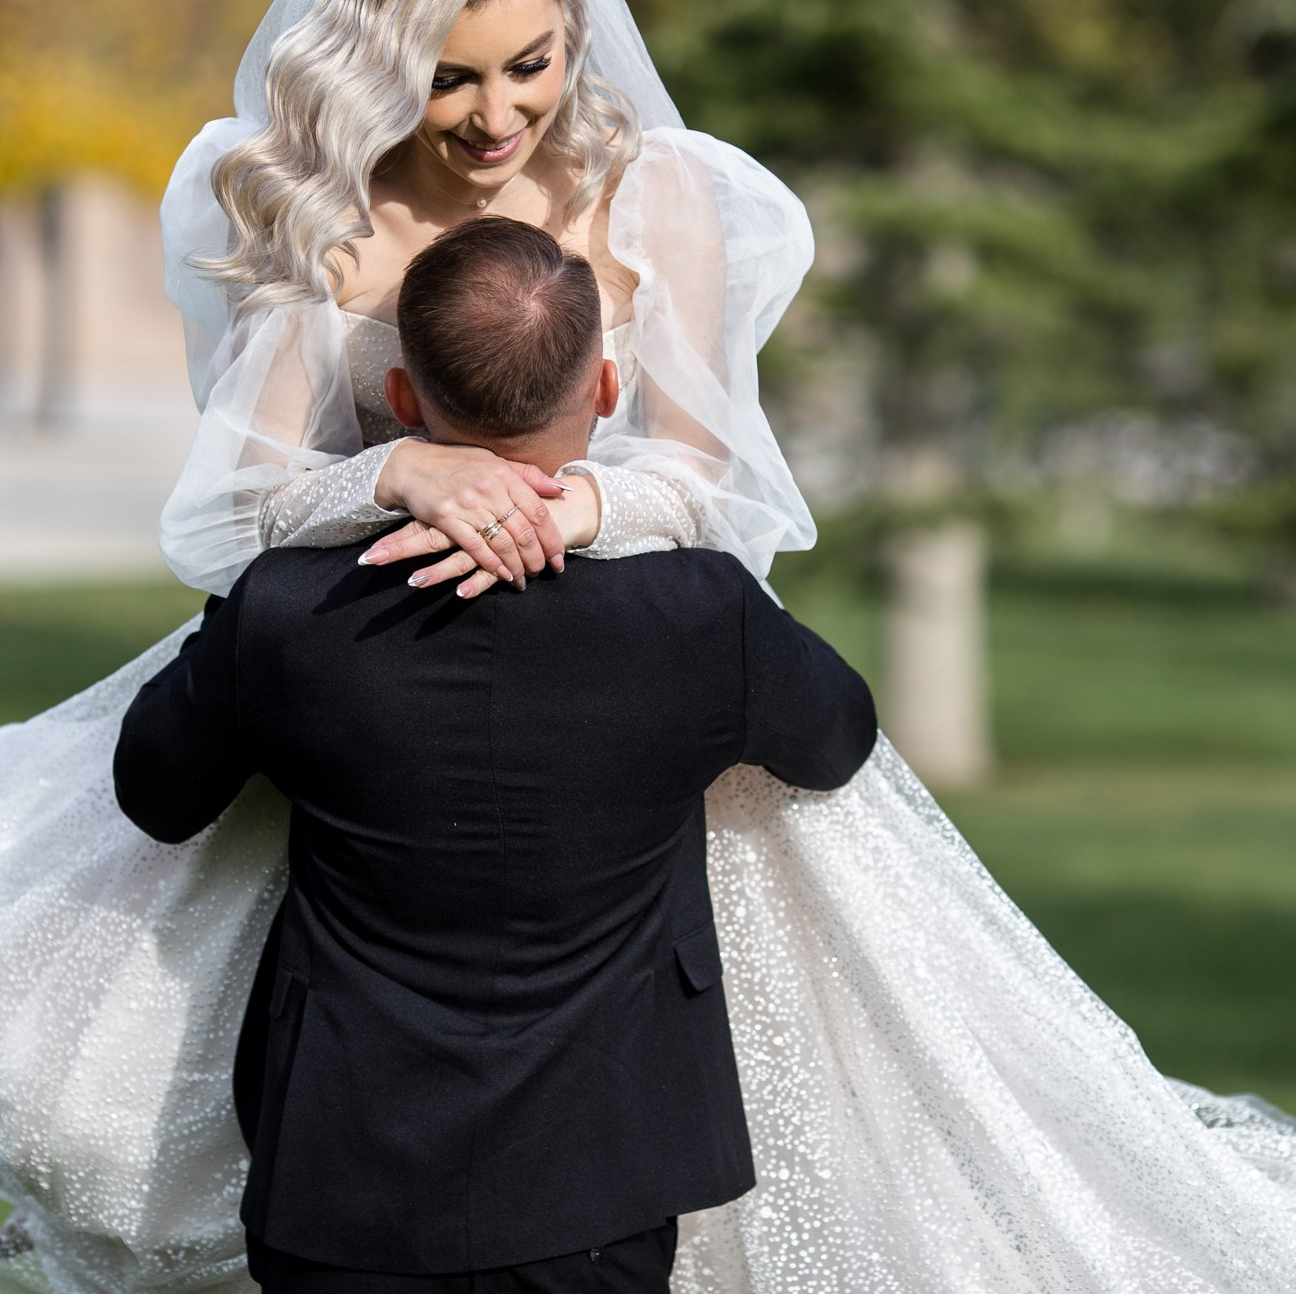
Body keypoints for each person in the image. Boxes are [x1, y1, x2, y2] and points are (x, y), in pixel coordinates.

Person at [0, 0, 1296, 1294]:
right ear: (377, 62)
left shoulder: (656, 198)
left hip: (626, 671)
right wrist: (398, 465)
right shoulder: (318, 209)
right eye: (448, 78)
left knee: (830, 1136)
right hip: (365, 698)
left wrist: (577, 510)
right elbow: (215, 523)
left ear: (575, 37)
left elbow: (715, 486)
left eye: (529, 67)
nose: (494, 118)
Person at [113, 218, 877, 1292]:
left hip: (340, 1168)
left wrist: (331, 510)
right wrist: (641, 517)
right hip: (602, 1172)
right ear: (609, 389)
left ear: (406, 403)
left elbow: (155, 791)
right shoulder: (701, 612)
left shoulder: (284, 611)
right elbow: (840, 738)